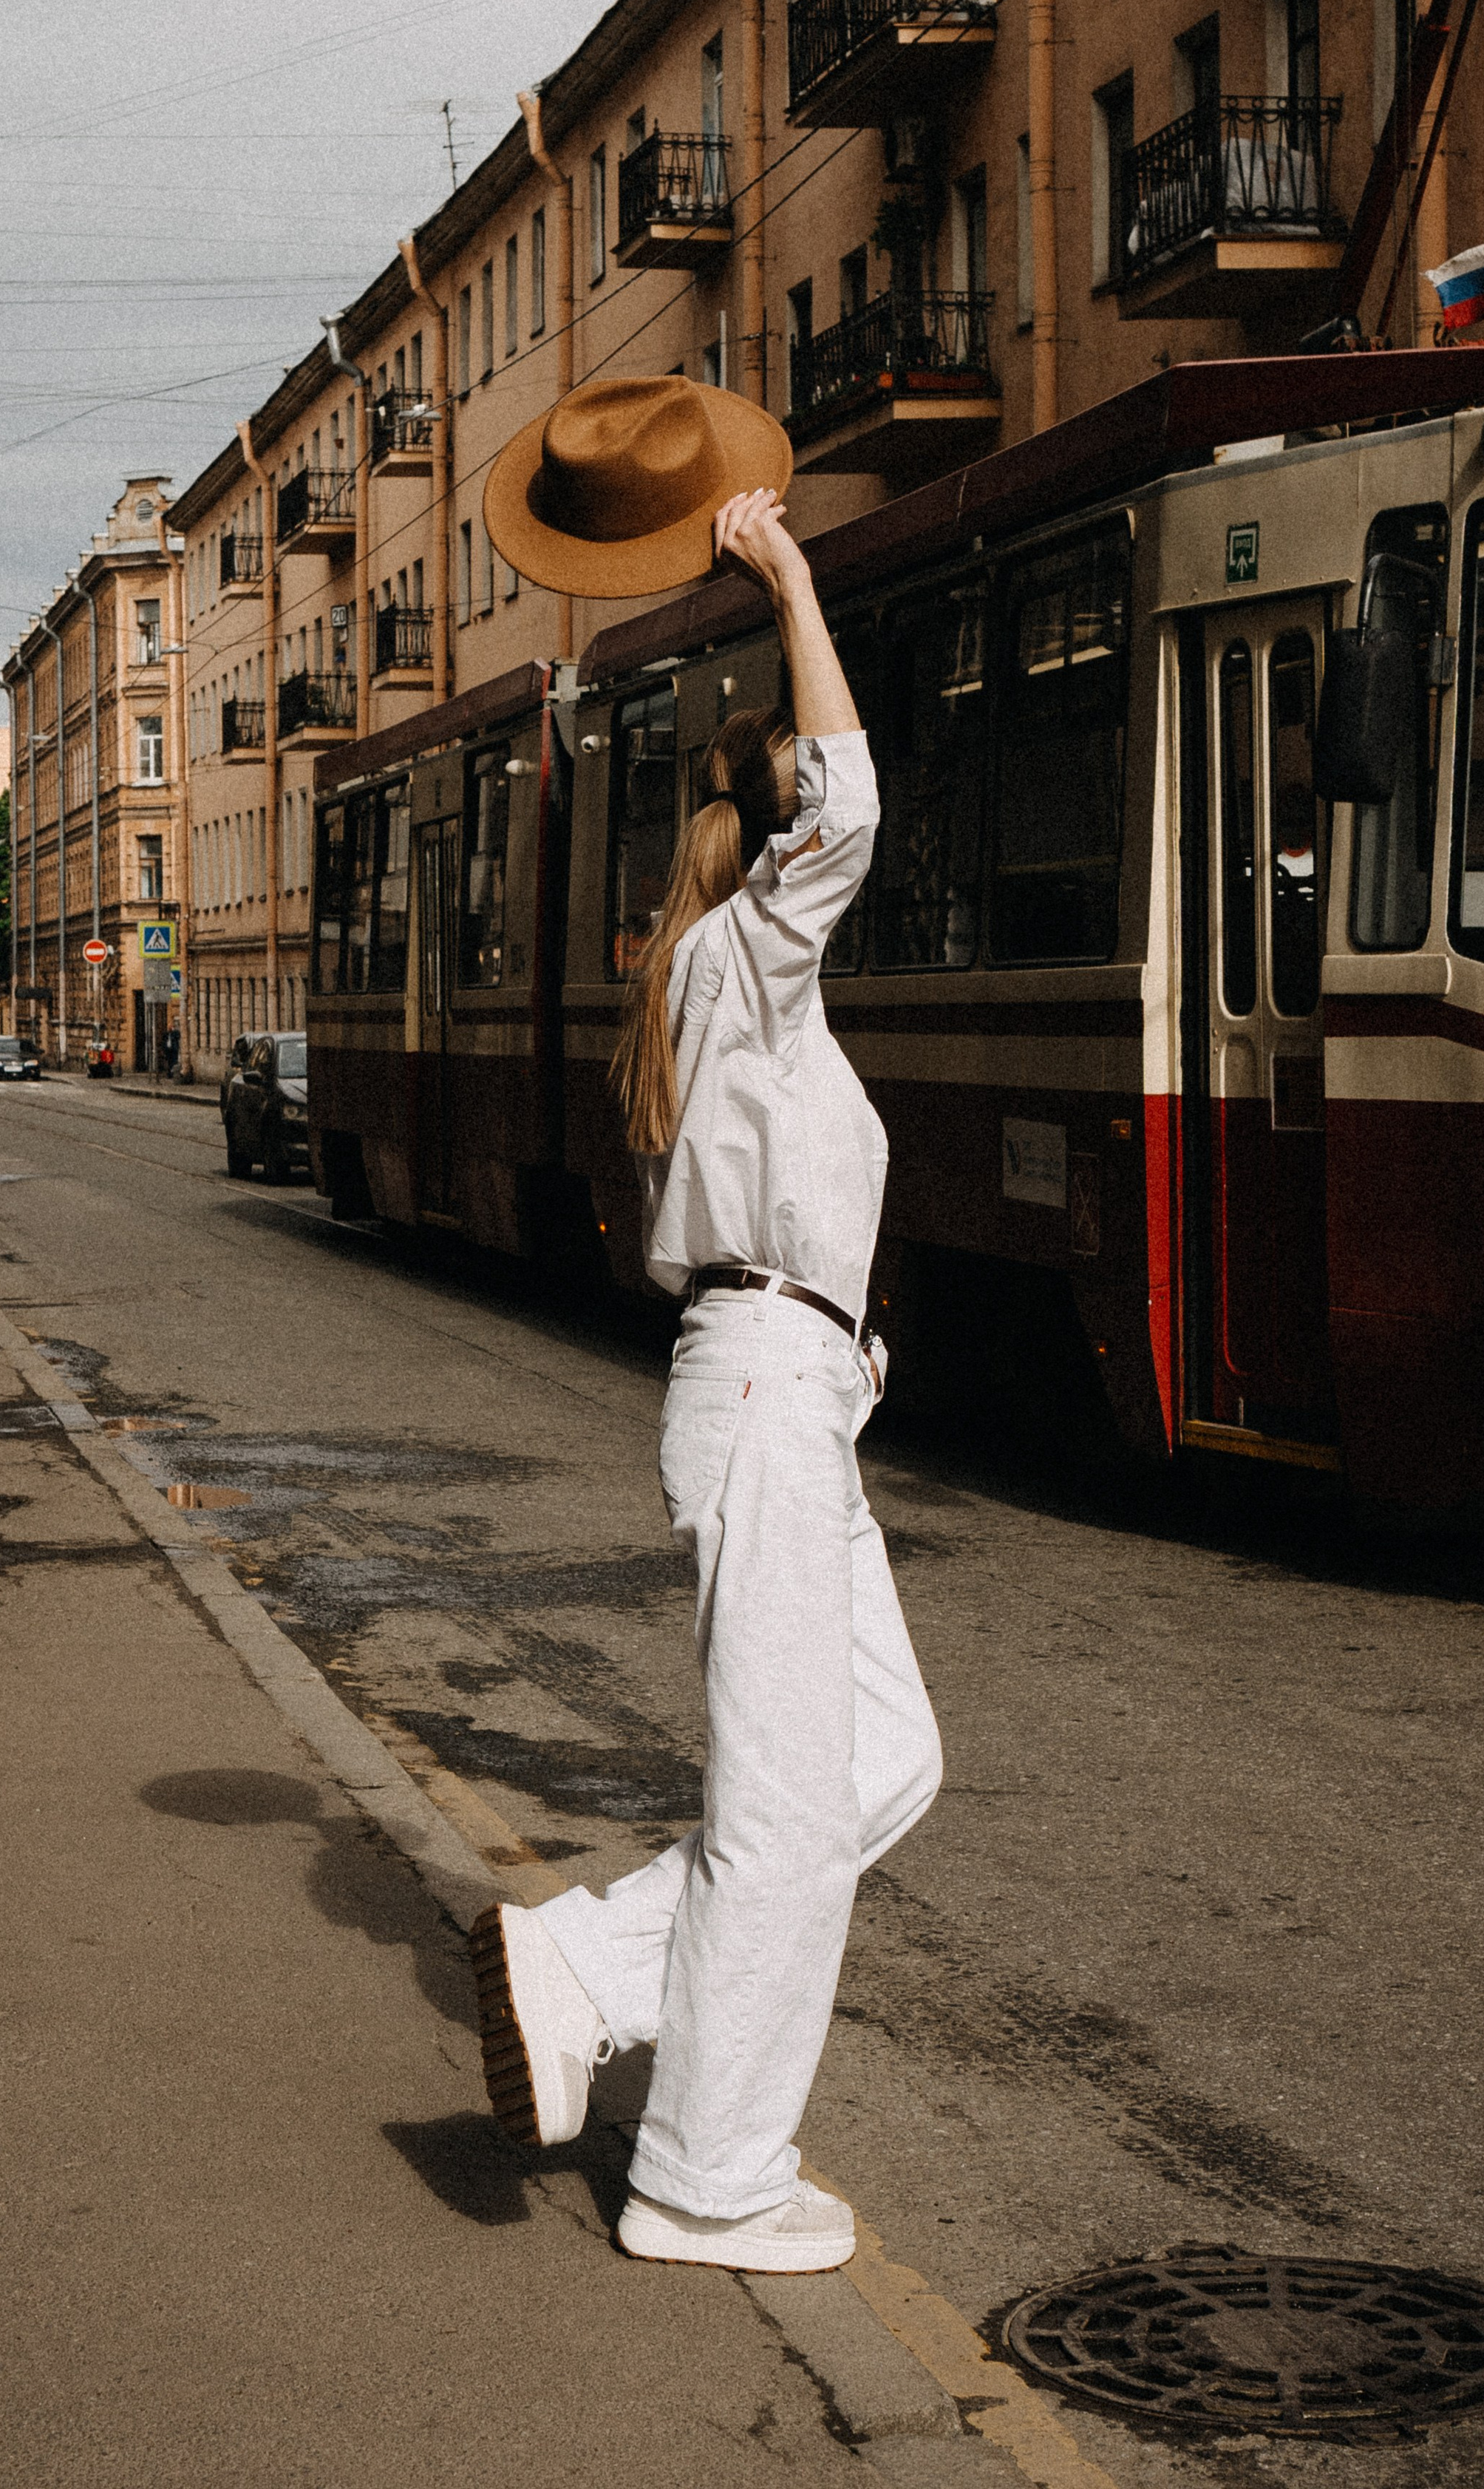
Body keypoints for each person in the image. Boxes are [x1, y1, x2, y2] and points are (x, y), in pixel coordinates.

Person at [471, 424, 941, 2277]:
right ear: (761, 850)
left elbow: (816, 811)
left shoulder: (720, 979)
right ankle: (706, 2174)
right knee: (776, 1815)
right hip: (762, 1397)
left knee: (880, 1765)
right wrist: (792, 582)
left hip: (792, 1403)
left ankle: (584, 1965)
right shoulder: (745, 959)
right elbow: (854, 805)